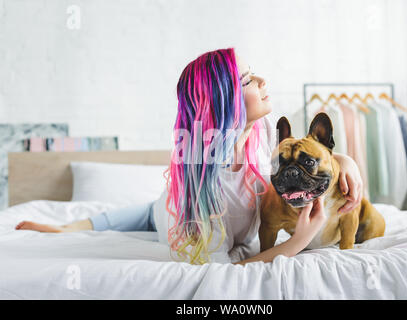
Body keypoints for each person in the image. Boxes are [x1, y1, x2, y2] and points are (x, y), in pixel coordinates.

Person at [15, 48, 363, 265]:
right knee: (125, 218)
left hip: (167, 202)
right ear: (224, 104)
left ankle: (70, 225)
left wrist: (346, 162)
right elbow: (226, 271)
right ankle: (64, 228)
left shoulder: (265, 128)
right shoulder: (203, 201)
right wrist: (299, 242)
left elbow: (309, 153)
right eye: (246, 80)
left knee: (130, 214)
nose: (261, 80)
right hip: (171, 214)